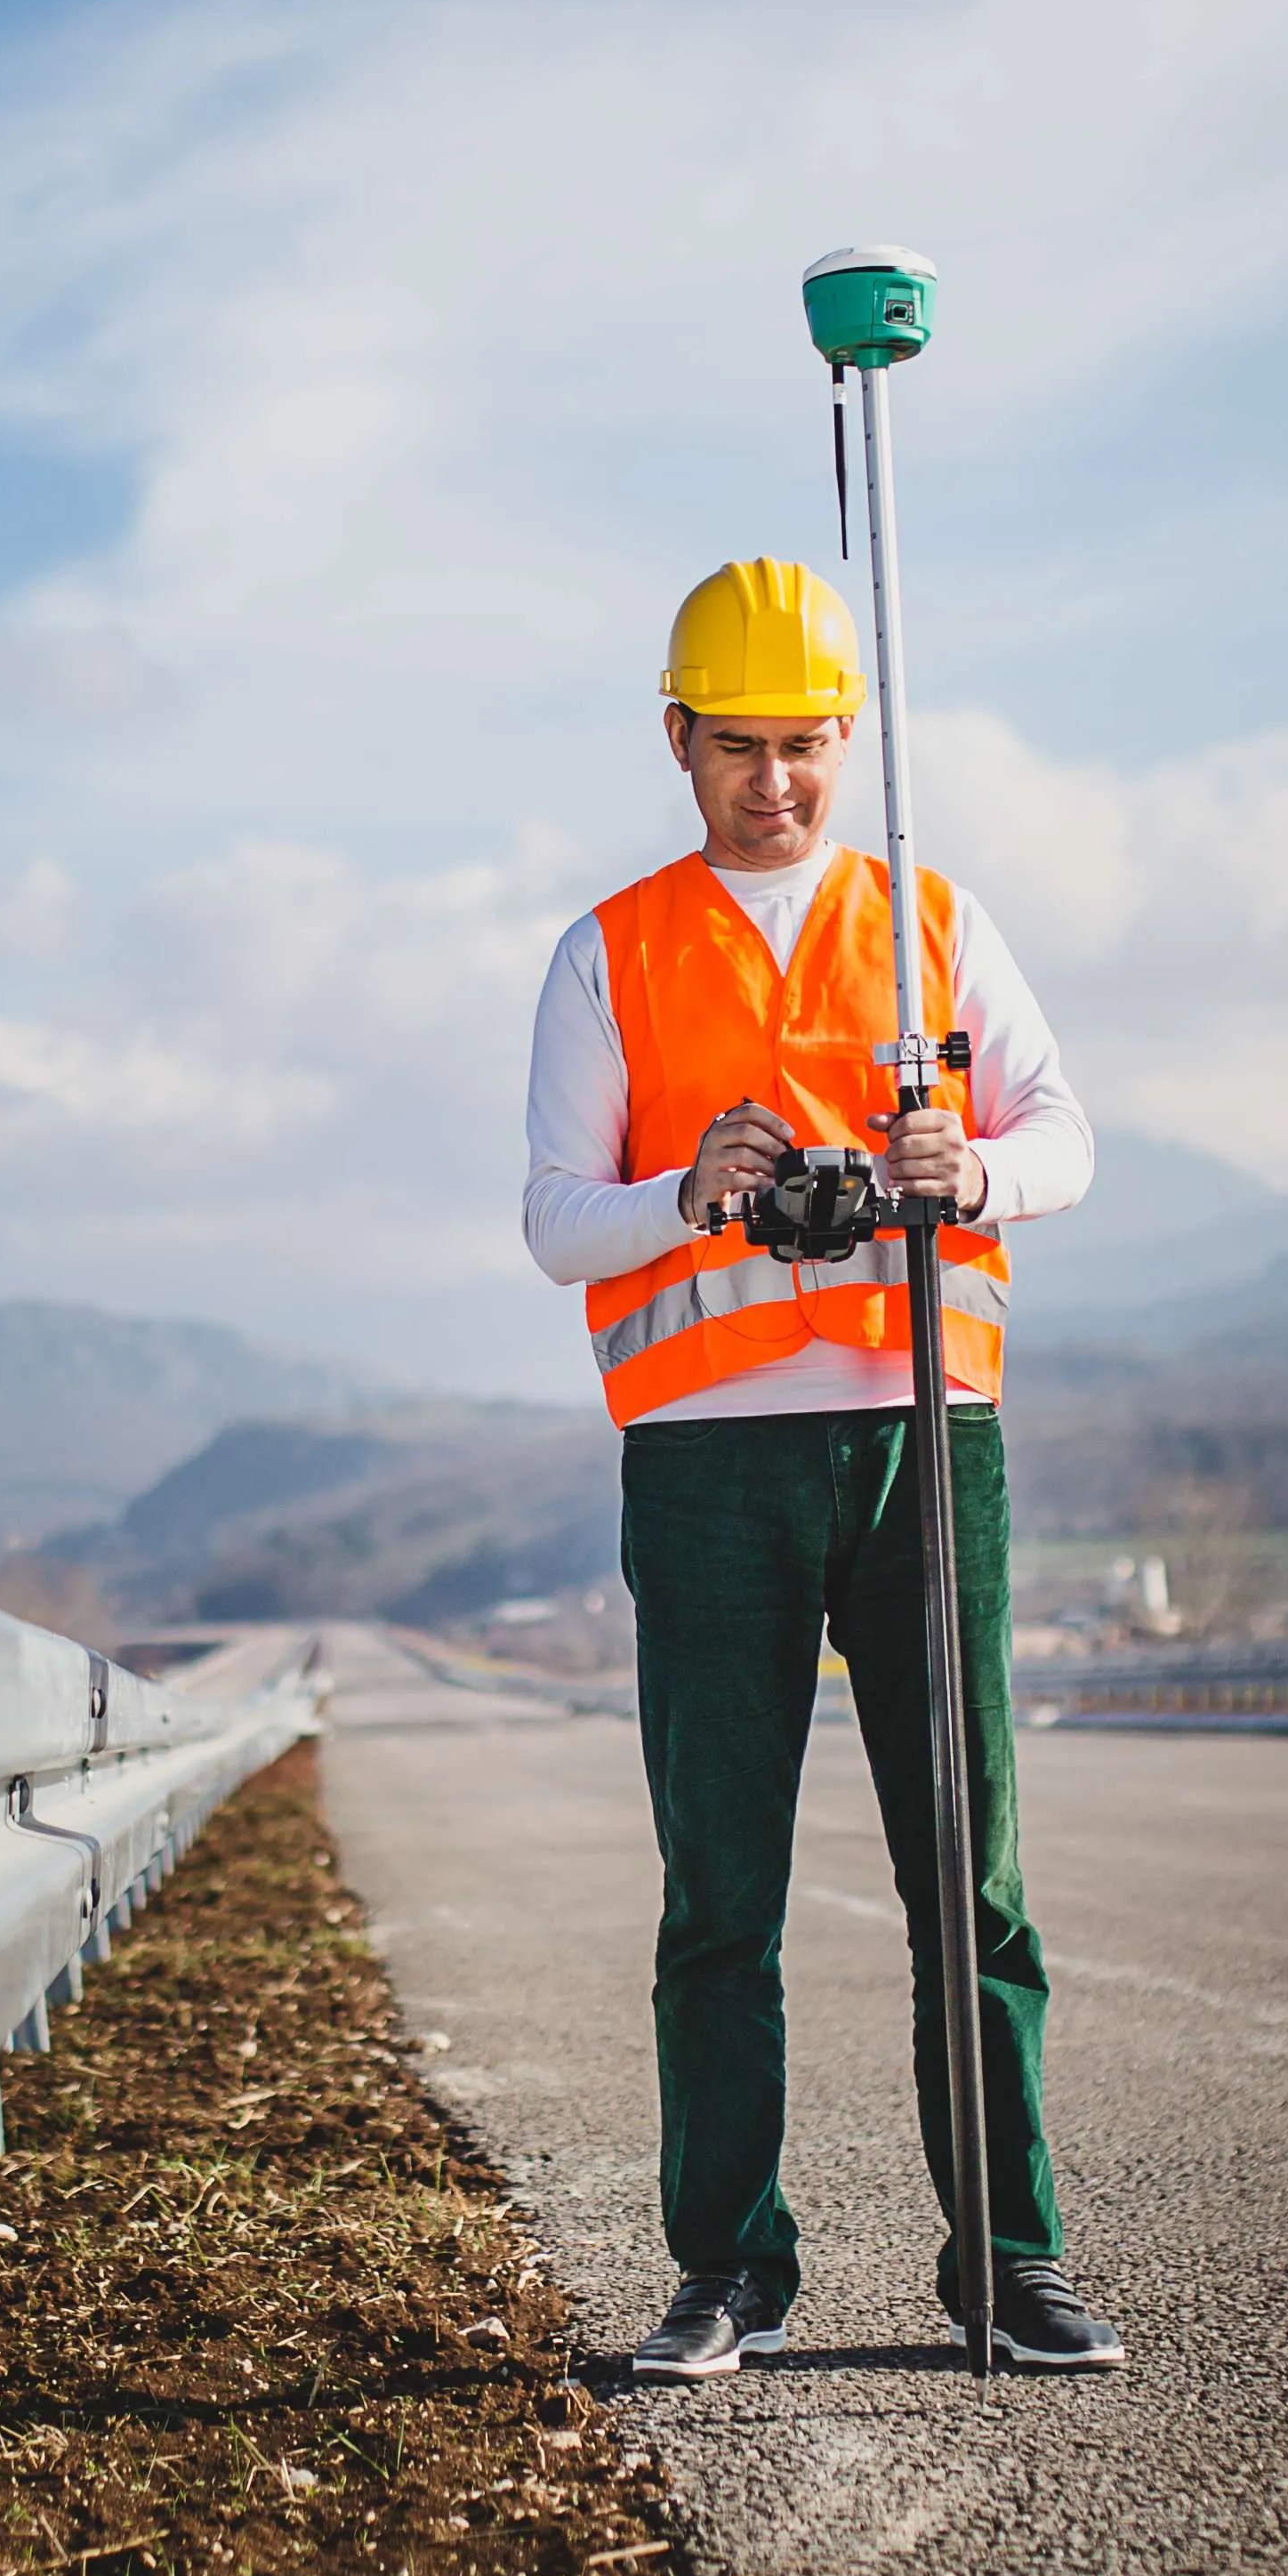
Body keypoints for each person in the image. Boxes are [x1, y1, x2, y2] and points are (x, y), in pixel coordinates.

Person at [520, 556, 1123, 2380]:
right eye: (739, 746)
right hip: (709, 1477)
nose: (774, 780)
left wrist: (973, 1176)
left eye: (805, 744)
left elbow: (1068, 1135)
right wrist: (686, 1193)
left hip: (926, 1443)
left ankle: (1009, 2264)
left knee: (973, 1875)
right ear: (678, 738)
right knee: (723, 1894)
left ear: (849, 736)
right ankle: (727, 2273)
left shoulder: (935, 914)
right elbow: (557, 1224)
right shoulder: (605, 950)